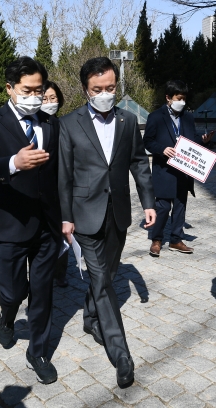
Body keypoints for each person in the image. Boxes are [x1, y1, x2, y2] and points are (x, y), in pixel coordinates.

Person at [58, 57, 156, 387]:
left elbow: (140, 163)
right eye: (97, 89)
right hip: (85, 214)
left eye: (110, 88)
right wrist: (66, 217)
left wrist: (148, 204)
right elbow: (65, 175)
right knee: (103, 281)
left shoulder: (128, 121)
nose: (104, 94)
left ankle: (90, 318)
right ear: (85, 89)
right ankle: (121, 354)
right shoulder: (69, 124)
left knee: (108, 275)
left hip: (118, 213)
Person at [0, 57, 62, 385]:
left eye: (40, 90)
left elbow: (59, 172)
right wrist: (13, 162)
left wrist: (67, 217)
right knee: (14, 291)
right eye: (27, 90)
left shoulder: (51, 123)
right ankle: (7, 317)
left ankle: (37, 351)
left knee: (42, 292)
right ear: (10, 88)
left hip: (47, 225)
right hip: (9, 223)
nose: (35, 97)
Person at [143, 80, 214, 257]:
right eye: (178, 98)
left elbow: (193, 140)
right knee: (163, 207)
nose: (181, 102)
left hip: (183, 170)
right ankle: (156, 239)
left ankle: (176, 239)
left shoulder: (188, 117)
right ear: (168, 98)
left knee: (180, 206)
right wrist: (162, 149)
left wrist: (204, 141)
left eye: (184, 98)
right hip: (165, 170)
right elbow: (147, 141)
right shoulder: (156, 117)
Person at [41, 80, 68, 288]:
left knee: (61, 234)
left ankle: (60, 272)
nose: (50, 102)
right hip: (41, 189)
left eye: (53, 98)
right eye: (45, 99)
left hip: (62, 188)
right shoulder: (35, 125)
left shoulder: (64, 124)